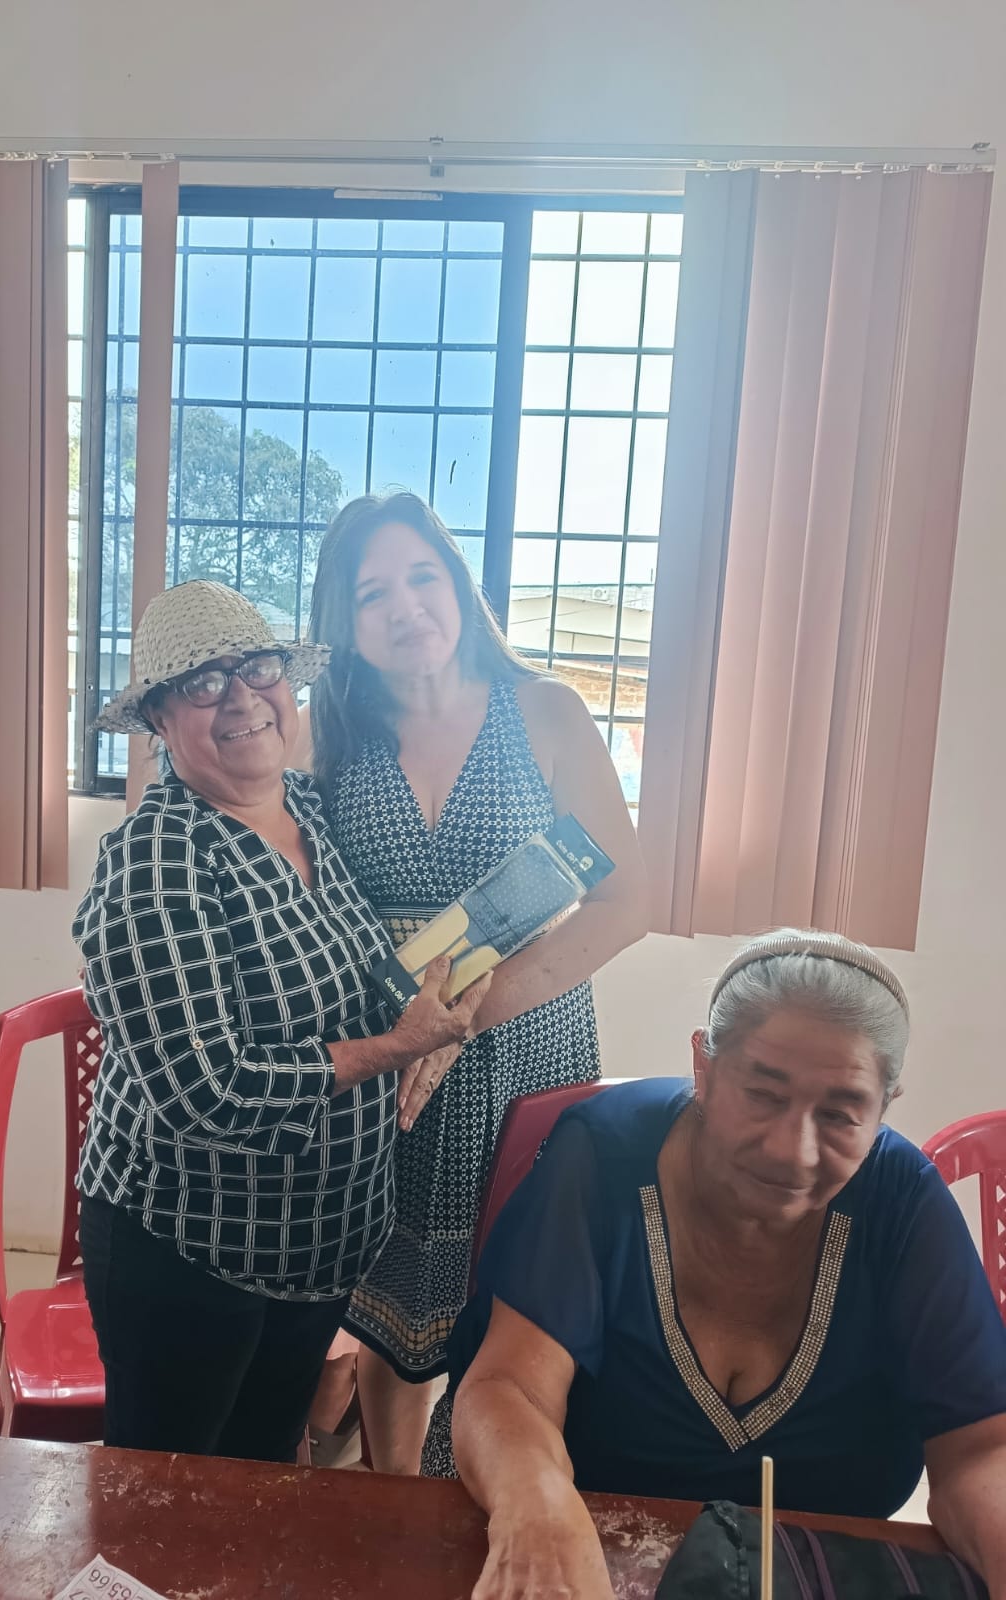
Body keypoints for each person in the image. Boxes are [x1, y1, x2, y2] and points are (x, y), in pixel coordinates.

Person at [435, 930, 1006, 1600]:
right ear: (703, 1066)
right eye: (763, 1094)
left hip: (810, 1572)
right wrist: (534, 1509)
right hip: (593, 1551)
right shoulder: (603, 1154)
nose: (793, 1151)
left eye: (840, 1114)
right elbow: (511, 1387)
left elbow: (979, 1447)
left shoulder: (902, 1201)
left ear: (884, 1107)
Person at [73, 580, 489, 1464]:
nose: (241, 699)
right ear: (159, 719)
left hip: (316, 1255)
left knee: (260, 1480)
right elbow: (206, 1089)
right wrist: (401, 1046)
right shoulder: (157, 859)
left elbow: (358, 979)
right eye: (202, 683)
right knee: (169, 1499)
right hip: (188, 1251)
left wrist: (455, 988)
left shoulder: (307, 811)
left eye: (257, 669)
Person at [302, 492, 648, 1473]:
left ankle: (490, 1487)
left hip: (525, 1043)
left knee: (512, 1299)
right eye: (372, 593)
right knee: (391, 1299)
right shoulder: (329, 731)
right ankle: (393, 1497)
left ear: (460, 586)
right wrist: (398, 1034)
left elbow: (627, 900)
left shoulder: (544, 712)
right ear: (344, 622)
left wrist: (467, 1018)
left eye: (423, 576)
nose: (405, 606)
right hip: (390, 1055)